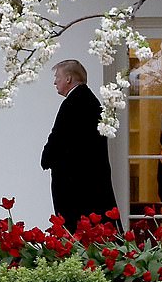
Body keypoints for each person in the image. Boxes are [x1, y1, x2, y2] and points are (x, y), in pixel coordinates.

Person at [41, 60, 120, 232]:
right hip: (89, 182)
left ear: (68, 78)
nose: (55, 82)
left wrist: (46, 159)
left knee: (77, 229)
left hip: (76, 186)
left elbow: (58, 138)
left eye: (58, 77)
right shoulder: (87, 99)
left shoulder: (74, 103)